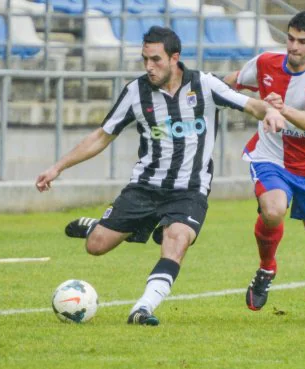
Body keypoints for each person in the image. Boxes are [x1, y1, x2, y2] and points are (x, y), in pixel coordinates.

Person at [36, 26, 285, 326]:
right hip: (145, 187)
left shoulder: (204, 85)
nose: (148, 67)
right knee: (97, 246)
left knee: (176, 238)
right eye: (145, 59)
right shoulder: (135, 92)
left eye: (155, 59)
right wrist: (57, 167)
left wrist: (268, 112)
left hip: (189, 190)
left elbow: (249, 103)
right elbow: (102, 136)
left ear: (174, 58)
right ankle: (97, 227)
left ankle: (142, 308)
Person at [223, 11, 305, 322]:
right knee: (273, 209)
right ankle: (267, 267)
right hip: (271, 157)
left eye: (302, 42)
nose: (293, 47)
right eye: (290, 39)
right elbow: (232, 82)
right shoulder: (266, 62)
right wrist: (199, 91)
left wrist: (281, 109)